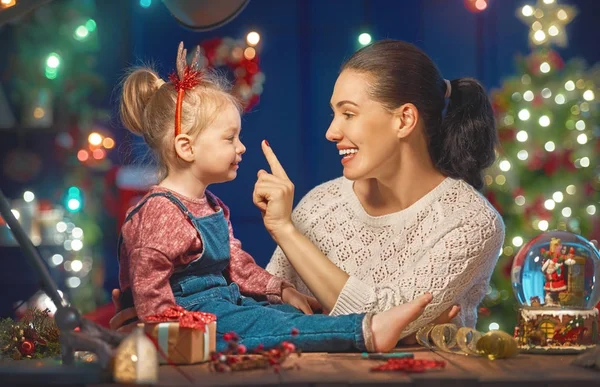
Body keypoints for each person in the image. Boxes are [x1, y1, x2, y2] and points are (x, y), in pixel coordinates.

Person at [112, 41, 434, 353]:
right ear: (186, 147)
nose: (241, 148)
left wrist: (279, 289)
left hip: (223, 302)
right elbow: (147, 281)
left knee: (282, 317)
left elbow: (235, 264)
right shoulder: (160, 211)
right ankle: (366, 331)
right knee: (265, 326)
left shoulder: (211, 206)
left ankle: (358, 327)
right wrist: (166, 330)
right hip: (192, 318)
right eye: (230, 138)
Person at [259, 39, 506, 339]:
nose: (331, 132)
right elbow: (265, 311)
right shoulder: (319, 205)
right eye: (334, 114)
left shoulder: (471, 223)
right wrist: (414, 333)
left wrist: (285, 231)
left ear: (404, 120)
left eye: (348, 114)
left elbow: (378, 322)